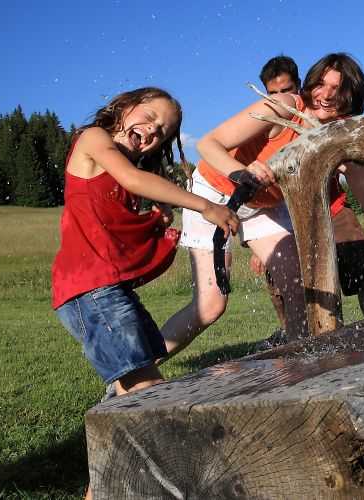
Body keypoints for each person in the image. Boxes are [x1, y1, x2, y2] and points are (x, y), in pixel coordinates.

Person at [161, 53, 364, 359]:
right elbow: (208, 143)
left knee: (300, 291)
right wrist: (241, 173)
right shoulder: (283, 106)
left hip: (265, 206)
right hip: (215, 192)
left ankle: (302, 365)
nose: (325, 96)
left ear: (353, 97)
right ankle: (136, 374)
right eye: (321, 84)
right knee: (211, 306)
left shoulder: (346, 139)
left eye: (339, 89)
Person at [51, 87, 238, 398]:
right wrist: (206, 206)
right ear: (124, 106)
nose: (153, 129)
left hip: (107, 288)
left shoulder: (123, 173)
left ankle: (117, 427)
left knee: (138, 380)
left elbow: (110, 228)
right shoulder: (94, 138)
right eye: (150, 117)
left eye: (162, 131)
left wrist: (154, 223)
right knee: (148, 391)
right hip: (90, 289)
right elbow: (133, 179)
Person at [250, 54, 364, 325]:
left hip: (333, 205)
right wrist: (257, 246)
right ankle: (298, 338)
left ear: (299, 86)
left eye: (286, 91)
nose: (280, 98)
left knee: (361, 267)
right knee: (291, 281)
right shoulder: (270, 121)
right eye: (273, 93)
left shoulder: (328, 114)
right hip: (285, 213)